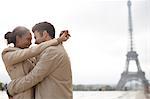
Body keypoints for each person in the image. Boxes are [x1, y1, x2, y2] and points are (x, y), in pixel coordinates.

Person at [6, 22, 72, 99]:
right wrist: (58, 40)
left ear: (44, 34)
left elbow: (33, 78)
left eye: (35, 37)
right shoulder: (53, 50)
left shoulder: (52, 52)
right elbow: (33, 53)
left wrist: (10, 88)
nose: (34, 42)